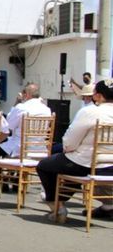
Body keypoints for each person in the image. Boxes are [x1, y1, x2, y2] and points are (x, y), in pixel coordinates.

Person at [36, 78, 113, 222]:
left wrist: (68, 150)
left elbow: (69, 142)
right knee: (72, 168)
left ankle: (57, 207)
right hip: (110, 167)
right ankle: (107, 206)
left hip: (87, 163)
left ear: (98, 96)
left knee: (45, 166)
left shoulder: (91, 112)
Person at [0, 83, 52, 158]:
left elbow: (8, 125)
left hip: (20, 149)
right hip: (40, 150)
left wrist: (17, 102)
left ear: (26, 95)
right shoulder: (47, 110)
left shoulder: (21, 107)